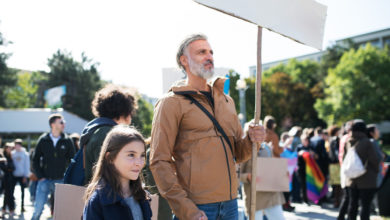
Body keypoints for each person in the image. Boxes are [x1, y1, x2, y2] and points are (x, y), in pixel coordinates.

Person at [150, 34, 265, 220]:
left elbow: (240, 154)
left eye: (211, 52)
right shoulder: (170, 103)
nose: (209, 56)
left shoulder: (227, 101)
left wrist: (253, 139)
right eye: (201, 52)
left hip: (231, 205)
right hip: (196, 208)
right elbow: (159, 161)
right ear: (184, 60)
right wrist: (185, 209)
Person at [83, 126, 152, 220]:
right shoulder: (97, 201)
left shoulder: (142, 196)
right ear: (110, 157)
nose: (139, 162)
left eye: (142, 155)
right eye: (131, 155)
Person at [83, 84, 137, 185]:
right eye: (131, 111)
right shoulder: (108, 134)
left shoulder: (97, 130)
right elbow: (109, 175)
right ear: (123, 111)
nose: (131, 116)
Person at [240, 116, 285, 220]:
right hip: (254, 196)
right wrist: (248, 176)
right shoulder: (243, 150)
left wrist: (281, 173)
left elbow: (273, 167)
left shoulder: (268, 148)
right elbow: (236, 175)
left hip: (271, 194)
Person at [31, 113, 75, 220]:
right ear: (52, 124)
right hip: (44, 180)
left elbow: (73, 161)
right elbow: (35, 159)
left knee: (62, 211)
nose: (64, 124)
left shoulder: (67, 140)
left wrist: (67, 177)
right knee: (38, 209)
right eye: (61, 122)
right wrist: (40, 176)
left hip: (61, 181)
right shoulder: (43, 139)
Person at [345, 119, 379, 220]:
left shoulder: (349, 141)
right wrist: (376, 171)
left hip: (351, 179)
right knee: (365, 206)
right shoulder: (367, 142)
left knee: (353, 204)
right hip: (367, 179)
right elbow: (374, 160)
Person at [11, 138, 30, 212]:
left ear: (20, 145)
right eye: (16, 145)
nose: (17, 147)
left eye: (18, 145)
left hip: (22, 175)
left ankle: (22, 206)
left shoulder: (25, 154)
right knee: (11, 191)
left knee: (23, 192)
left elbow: (27, 165)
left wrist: (26, 176)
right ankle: (13, 205)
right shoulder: (12, 153)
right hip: (13, 175)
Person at [327, 126, 342, 208]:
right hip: (336, 164)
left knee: (336, 184)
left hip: (332, 164)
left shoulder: (330, 139)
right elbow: (336, 152)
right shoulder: (335, 139)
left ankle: (336, 201)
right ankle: (337, 201)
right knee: (338, 184)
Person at [1, 143, 16, 218]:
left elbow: (13, 167)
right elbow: (4, 167)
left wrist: (8, 167)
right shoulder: (3, 156)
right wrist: (8, 168)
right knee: (8, 194)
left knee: (8, 194)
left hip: (11, 178)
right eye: (8, 148)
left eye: (11, 148)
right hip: (4, 178)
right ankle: (10, 209)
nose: (10, 150)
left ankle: (5, 209)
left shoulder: (11, 156)